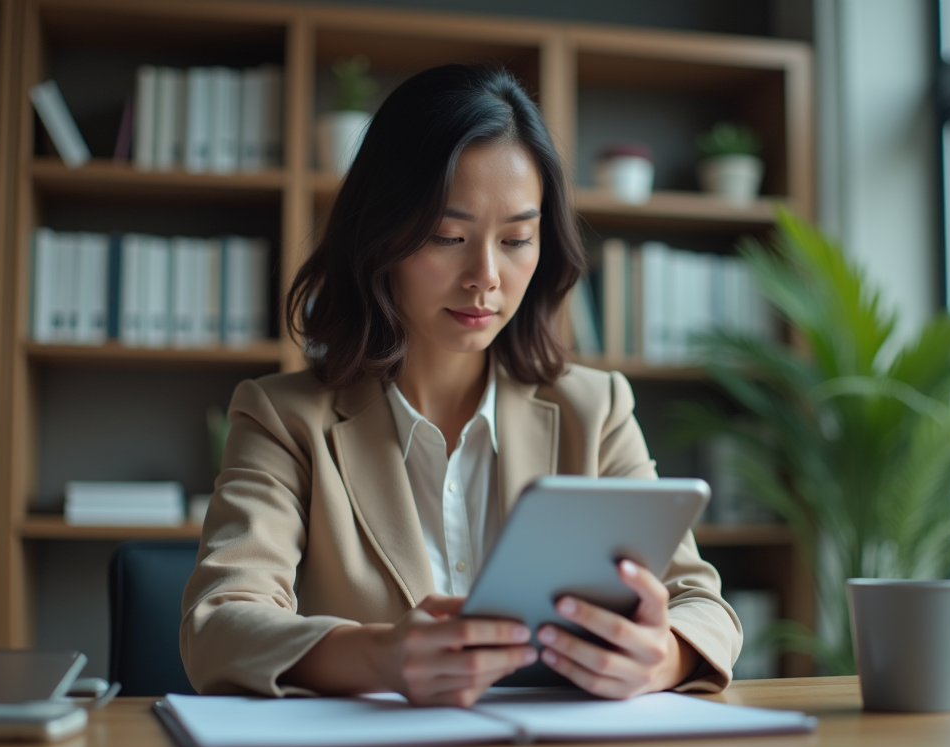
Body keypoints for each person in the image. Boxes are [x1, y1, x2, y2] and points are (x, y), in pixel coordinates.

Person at [180, 64, 742, 708]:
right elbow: (216, 623)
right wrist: (380, 656)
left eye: (516, 240)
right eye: (449, 236)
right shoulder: (284, 418)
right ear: (380, 233)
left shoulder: (596, 408)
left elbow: (704, 605)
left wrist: (661, 655)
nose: (485, 277)